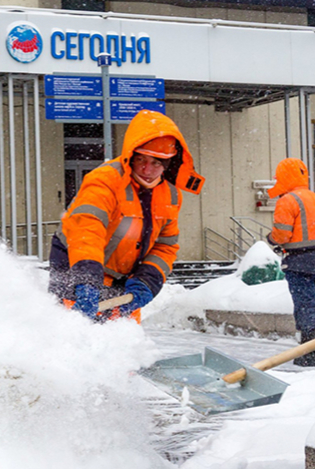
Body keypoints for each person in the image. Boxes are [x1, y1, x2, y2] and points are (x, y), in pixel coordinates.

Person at [49, 110, 204, 321]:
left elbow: (166, 245)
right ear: (130, 155)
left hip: (125, 278)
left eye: (157, 162)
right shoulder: (105, 180)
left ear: (168, 165)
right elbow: (86, 228)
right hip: (78, 266)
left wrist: (148, 280)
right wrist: (86, 279)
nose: (147, 169)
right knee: (72, 328)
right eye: (141, 159)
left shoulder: (171, 195)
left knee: (123, 337)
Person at [266, 157, 315, 371]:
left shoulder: (288, 200)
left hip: (299, 261)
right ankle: (307, 356)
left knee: (306, 308)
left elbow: (282, 234)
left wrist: (271, 239)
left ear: (283, 177)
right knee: (306, 306)